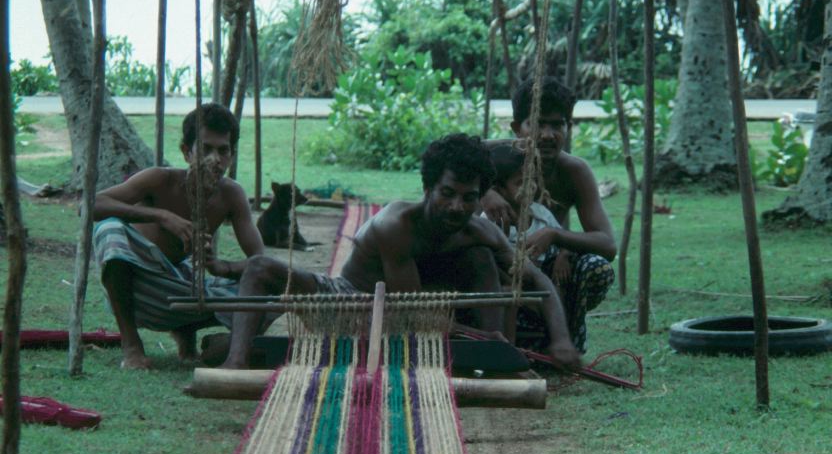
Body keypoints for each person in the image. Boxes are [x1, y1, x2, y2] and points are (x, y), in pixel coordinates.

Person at [221, 132, 582, 371]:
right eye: (448, 193)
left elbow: (537, 281)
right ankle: (233, 365)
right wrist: (471, 334)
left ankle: (494, 363)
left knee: (482, 258)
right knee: (259, 268)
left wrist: (562, 341)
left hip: (420, 318)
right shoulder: (395, 226)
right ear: (427, 188)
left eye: (469, 198)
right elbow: (407, 313)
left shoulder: (479, 230)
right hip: (354, 306)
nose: (458, 206)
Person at [92, 104, 265, 369]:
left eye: (223, 150)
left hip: (182, 292)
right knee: (109, 230)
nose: (215, 159)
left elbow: (260, 264)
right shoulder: (160, 180)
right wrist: (162, 216)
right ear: (187, 151)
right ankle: (132, 347)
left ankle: (191, 337)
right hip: (136, 289)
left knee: (268, 295)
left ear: (231, 155)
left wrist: (221, 267)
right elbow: (92, 205)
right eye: (206, 149)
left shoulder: (231, 195)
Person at [482, 76, 616, 352]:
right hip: (500, 271)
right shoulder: (496, 160)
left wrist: (557, 237)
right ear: (517, 129)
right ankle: (503, 344)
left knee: (596, 268)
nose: (547, 134)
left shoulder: (574, 171)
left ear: (568, 127)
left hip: (552, 270)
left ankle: (567, 340)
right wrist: (485, 192)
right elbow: (447, 156)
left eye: (557, 125)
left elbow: (607, 244)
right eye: (538, 123)